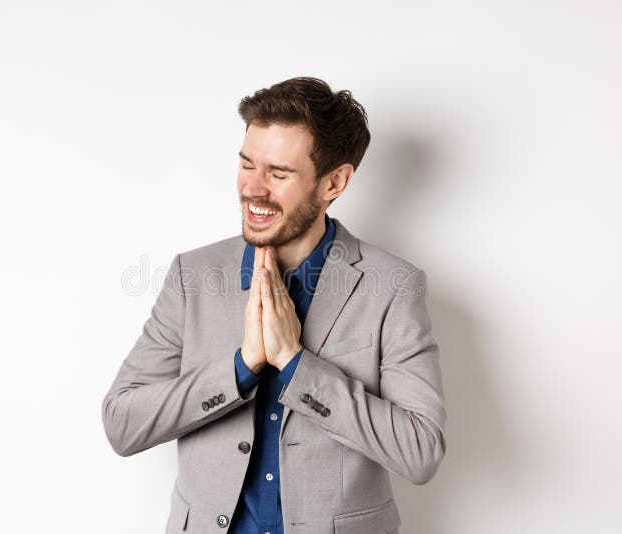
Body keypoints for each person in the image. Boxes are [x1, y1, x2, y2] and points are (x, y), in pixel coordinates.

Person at [101, 76, 446, 534]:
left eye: (278, 174)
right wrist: (241, 367)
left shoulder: (393, 287)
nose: (253, 189)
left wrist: (296, 364)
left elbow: (420, 451)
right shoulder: (192, 275)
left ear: (334, 182)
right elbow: (123, 425)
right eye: (247, 165)